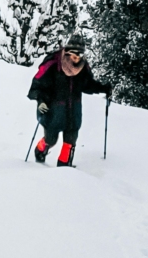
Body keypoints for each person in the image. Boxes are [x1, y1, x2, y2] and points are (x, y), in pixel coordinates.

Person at [27, 33, 111, 167]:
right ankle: (40, 151)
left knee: (70, 141)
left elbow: (87, 85)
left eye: (80, 54)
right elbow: (38, 84)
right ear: (67, 52)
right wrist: (41, 100)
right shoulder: (53, 63)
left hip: (73, 111)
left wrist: (103, 88)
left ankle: (64, 168)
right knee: (51, 139)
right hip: (53, 111)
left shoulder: (83, 67)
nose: (77, 57)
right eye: (73, 54)